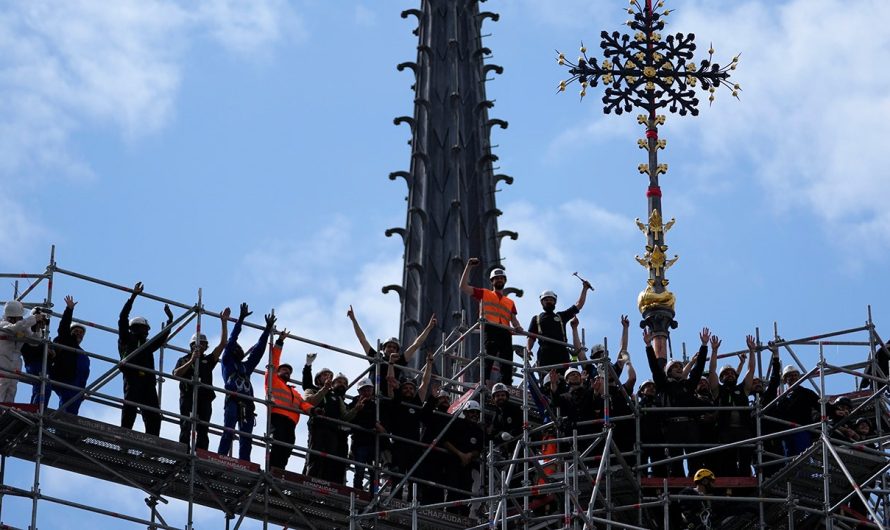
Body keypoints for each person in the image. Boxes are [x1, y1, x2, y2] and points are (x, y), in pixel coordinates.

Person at [646, 327, 711, 477]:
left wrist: (704, 346)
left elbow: (698, 370)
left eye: (681, 367)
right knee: (675, 461)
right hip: (672, 426)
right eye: (675, 367)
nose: (679, 369)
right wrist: (649, 347)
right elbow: (655, 368)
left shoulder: (688, 386)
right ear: (668, 371)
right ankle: (679, 487)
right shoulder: (664, 385)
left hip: (690, 425)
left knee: (695, 458)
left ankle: (696, 484)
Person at [218, 303, 275, 462]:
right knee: (229, 430)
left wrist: (267, 330)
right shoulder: (227, 362)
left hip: (248, 405)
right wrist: (240, 319)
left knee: (246, 437)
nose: (236, 348)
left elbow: (258, 351)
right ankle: (221, 457)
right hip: (233, 401)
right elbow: (232, 339)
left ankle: (244, 462)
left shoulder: (245, 367)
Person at [118, 282, 173, 436]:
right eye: (144, 329)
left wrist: (170, 321)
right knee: (130, 408)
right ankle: (124, 437)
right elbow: (122, 318)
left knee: (154, 414)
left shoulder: (147, 345)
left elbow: (160, 339)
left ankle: (152, 442)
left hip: (148, 380)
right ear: (135, 328)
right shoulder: (127, 338)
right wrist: (133, 296)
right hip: (133, 376)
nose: (146, 332)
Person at [459, 258, 523, 386]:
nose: (499, 280)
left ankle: (507, 385)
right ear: (492, 281)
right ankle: (484, 382)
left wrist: (518, 327)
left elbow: (513, 319)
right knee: (488, 357)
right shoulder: (484, 293)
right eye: (497, 278)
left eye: (501, 278)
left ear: (504, 281)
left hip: (505, 331)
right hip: (491, 327)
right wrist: (469, 267)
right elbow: (463, 287)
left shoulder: (509, 302)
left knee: (507, 361)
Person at [172, 307, 229, 450]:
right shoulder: (183, 359)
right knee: (186, 426)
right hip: (187, 396)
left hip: (204, 398)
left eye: (203, 344)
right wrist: (191, 361)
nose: (201, 346)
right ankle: (183, 453)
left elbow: (222, 345)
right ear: (192, 345)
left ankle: (201, 454)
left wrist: (224, 322)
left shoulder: (208, 361)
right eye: (198, 343)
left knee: (203, 430)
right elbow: (176, 374)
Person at [265, 329, 316, 470]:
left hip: (291, 423)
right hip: (278, 417)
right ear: (277, 371)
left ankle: (279, 470)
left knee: (287, 447)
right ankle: (271, 470)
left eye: (289, 371)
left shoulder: (293, 391)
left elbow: (302, 404)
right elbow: (273, 361)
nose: (287, 372)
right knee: (278, 444)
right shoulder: (273, 380)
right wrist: (280, 342)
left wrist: (313, 410)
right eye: (284, 370)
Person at [707, 335, 757, 477]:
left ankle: (745, 483)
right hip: (725, 431)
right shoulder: (718, 390)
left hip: (744, 430)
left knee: (745, 461)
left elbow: (751, 370)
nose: (729, 375)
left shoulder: (743, 389)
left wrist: (752, 351)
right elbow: (712, 372)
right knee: (728, 461)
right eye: (725, 374)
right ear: (721, 378)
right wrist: (714, 351)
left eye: (732, 373)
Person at [347, 305, 436, 382]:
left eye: (394, 347)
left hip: (390, 396)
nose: (392, 349)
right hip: (374, 394)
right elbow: (362, 340)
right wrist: (353, 320)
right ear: (383, 349)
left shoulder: (400, 361)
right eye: (389, 346)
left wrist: (429, 328)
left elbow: (416, 345)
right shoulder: (376, 357)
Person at [526, 281, 592, 370]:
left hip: (561, 353)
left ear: (555, 302)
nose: (549, 301)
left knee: (563, 379)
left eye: (551, 300)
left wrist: (585, 289)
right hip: (545, 354)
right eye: (546, 300)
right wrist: (528, 349)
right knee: (546, 379)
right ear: (542, 302)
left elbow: (578, 305)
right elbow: (531, 337)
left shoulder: (561, 316)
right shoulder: (536, 319)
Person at [304, 371, 355, 483]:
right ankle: (309, 480)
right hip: (318, 426)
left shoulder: (337, 398)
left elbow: (345, 416)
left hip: (332, 430)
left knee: (330, 458)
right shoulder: (312, 390)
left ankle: (326, 483)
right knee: (315, 454)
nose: (328, 378)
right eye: (326, 375)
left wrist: (357, 409)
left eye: (330, 376)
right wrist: (325, 389)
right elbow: (310, 402)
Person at [444, 400, 485, 516]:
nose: (475, 415)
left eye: (477, 413)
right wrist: (460, 454)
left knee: (465, 493)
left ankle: (463, 519)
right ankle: (449, 517)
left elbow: (478, 449)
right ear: (466, 413)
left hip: (467, 467)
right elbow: (445, 441)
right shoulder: (457, 424)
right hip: (453, 464)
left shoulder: (478, 431)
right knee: (452, 492)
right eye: (472, 412)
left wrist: (470, 455)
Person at [0, 300, 46, 402]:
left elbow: (34, 342)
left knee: (12, 387)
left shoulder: (22, 327)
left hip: (16, 361)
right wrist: (33, 319)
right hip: (3, 359)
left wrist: (37, 329)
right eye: (19, 317)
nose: (21, 318)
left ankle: (6, 412)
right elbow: (12, 329)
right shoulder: (3, 325)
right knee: (2, 384)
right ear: (12, 317)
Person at [50, 296, 90, 414]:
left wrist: (83, 390)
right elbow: (63, 326)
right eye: (76, 331)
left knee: (74, 404)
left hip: (76, 383)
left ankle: (67, 428)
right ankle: (62, 425)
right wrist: (69, 309)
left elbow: (84, 374)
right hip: (63, 377)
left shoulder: (83, 355)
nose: (78, 333)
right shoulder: (65, 340)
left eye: (81, 332)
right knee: (68, 400)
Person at [347, 377, 386, 491]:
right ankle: (357, 493)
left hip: (373, 443)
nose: (367, 392)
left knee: (375, 473)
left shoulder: (376, 405)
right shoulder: (354, 404)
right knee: (359, 471)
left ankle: (373, 495)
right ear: (359, 392)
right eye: (364, 390)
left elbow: (378, 423)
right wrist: (374, 424)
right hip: (360, 443)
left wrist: (374, 423)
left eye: (369, 390)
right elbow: (357, 421)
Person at [772, 364, 819, 458]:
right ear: (785, 379)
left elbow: (822, 406)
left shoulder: (806, 393)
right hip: (786, 433)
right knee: (789, 461)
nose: (793, 377)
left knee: (802, 459)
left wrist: (835, 412)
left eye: (795, 375)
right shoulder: (781, 397)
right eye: (790, 375)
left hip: (801, 430)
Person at [20, 307, 52, 406]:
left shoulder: (40, 333)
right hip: (33, 363)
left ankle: (35, 407)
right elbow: (32, 344)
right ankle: (36, 409)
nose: (43, 323)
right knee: (43, 386)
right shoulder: (28, 329)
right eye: (42, 319)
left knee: (40, 387)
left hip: (39, 363)